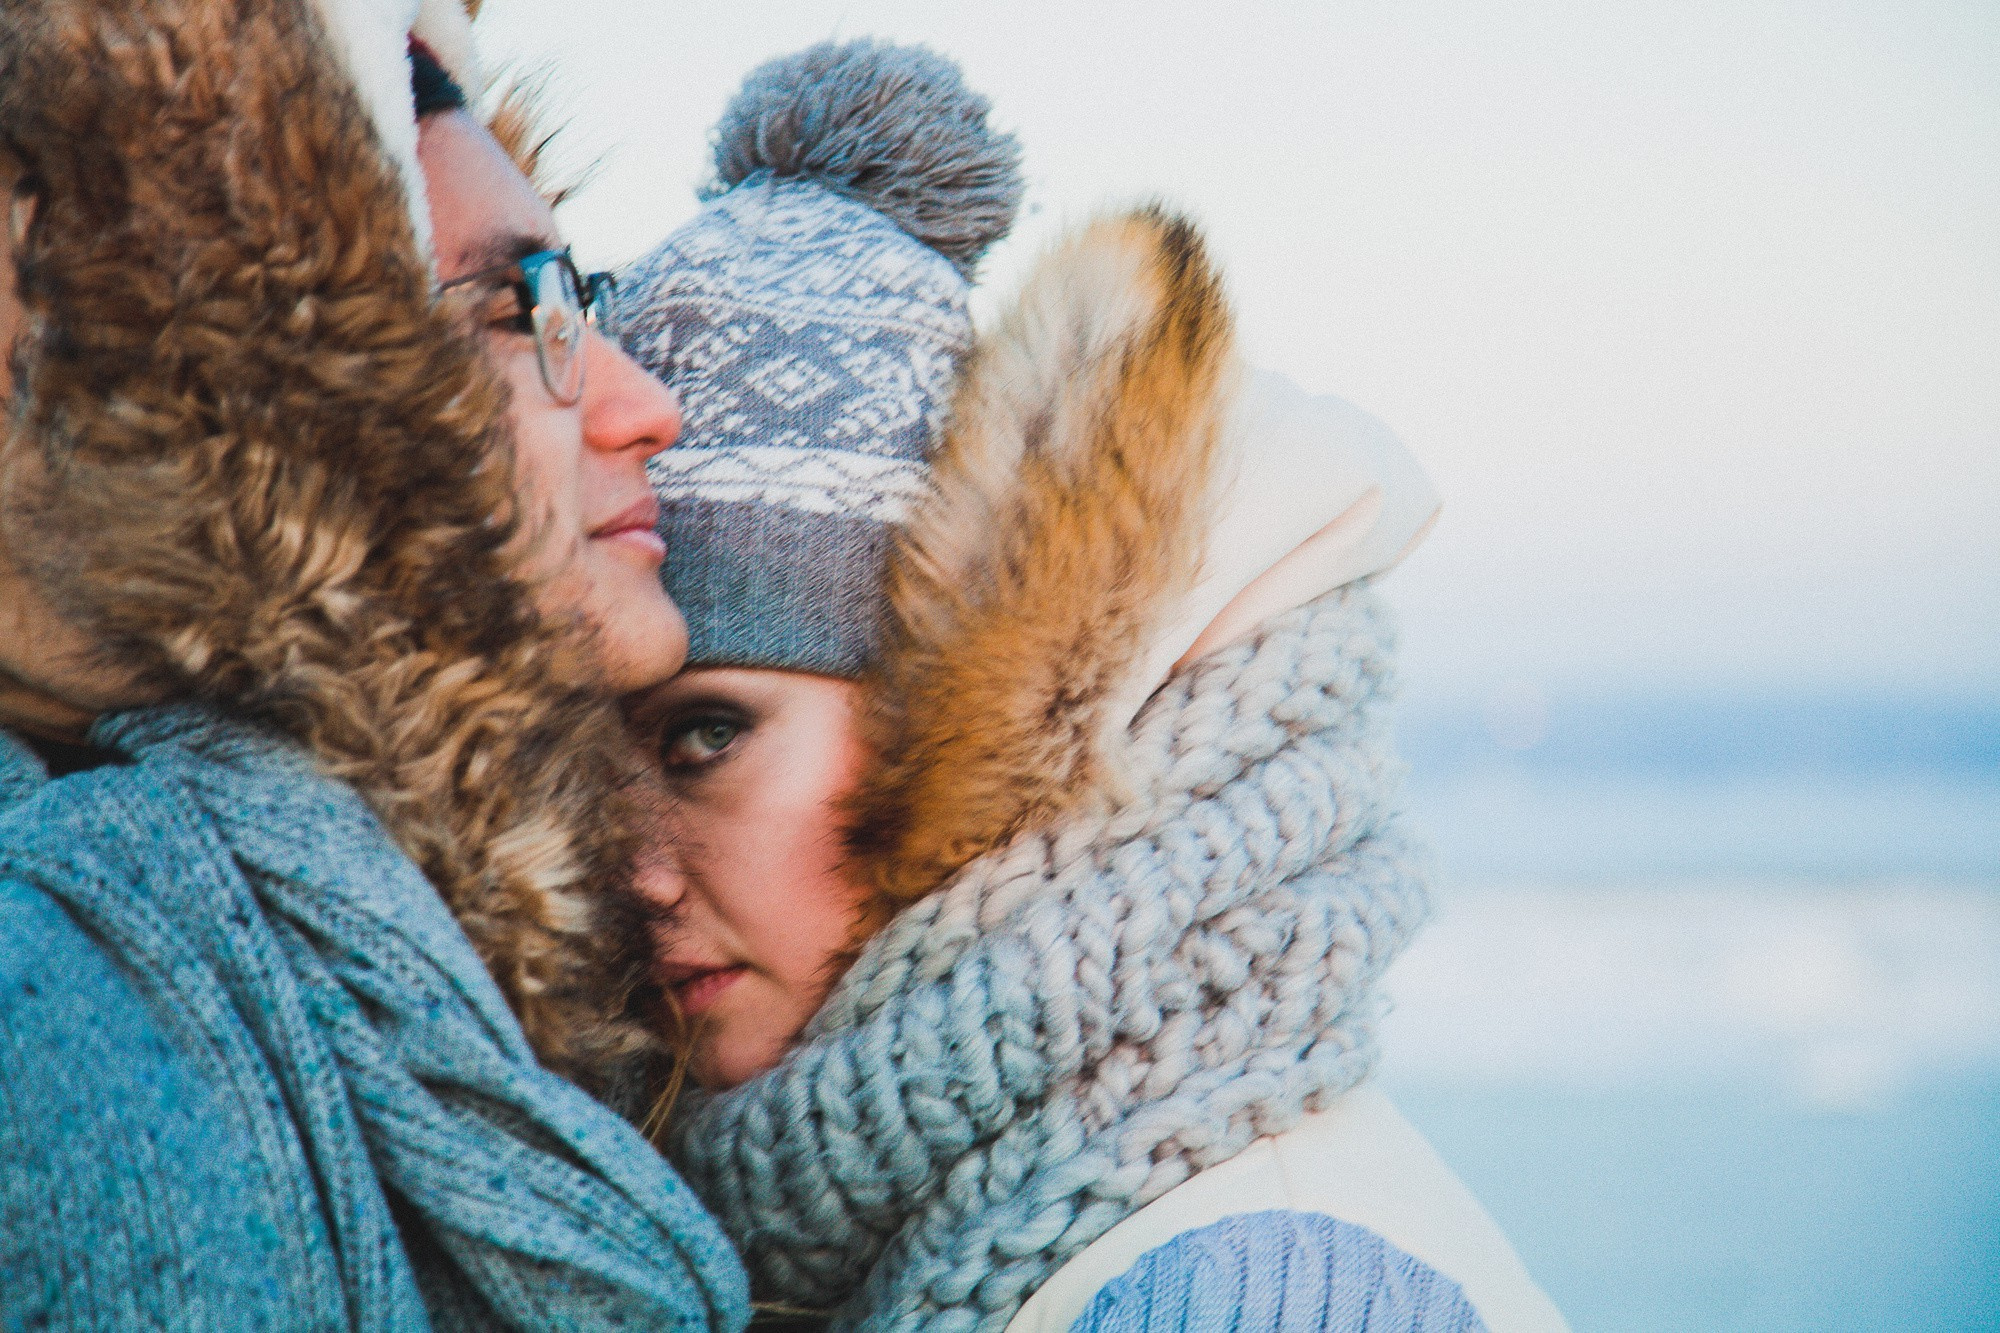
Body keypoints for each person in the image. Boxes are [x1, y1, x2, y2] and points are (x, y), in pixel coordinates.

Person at [618, 40, 1566, 1333]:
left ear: (968, 709)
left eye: (703, 737)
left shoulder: (1260, 1292)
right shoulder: (936, 1231)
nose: (634, 872)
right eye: (579, 776)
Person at [0, 0, 746, 1327]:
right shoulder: (83, 1020)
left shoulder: (527, 977)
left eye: (584, 298)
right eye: (520, 310)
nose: (648, 406)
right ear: (267, 396)